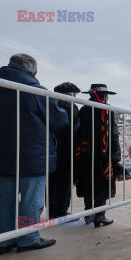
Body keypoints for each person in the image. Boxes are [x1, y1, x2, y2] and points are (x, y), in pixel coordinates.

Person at [0, 53, 69, 255]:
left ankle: (5, 241)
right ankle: (28, 239)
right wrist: (63, 107)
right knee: (31, 198)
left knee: (6, 197)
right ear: (34, 72)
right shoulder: (33, 89)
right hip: (31, 156)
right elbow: (58, 121)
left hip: (2, 154)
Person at [75, 84, 121, 228]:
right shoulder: (107, 110)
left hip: (85, 155)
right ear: (104, 95)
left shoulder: (84, 109)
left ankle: (89, 214)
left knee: (88, 183)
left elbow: (78, 132)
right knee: (102, 184)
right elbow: (113, 133)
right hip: (103, 155)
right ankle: (100, 215)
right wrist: (115, 154)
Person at [48, 82, 80, 219]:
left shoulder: (51, 104)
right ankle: (60, 211)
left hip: (52, 148)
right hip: (67, 149)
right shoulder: (70, 106)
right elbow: (74, 129)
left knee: (51, 181)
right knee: (65, 181)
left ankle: (52, 211)